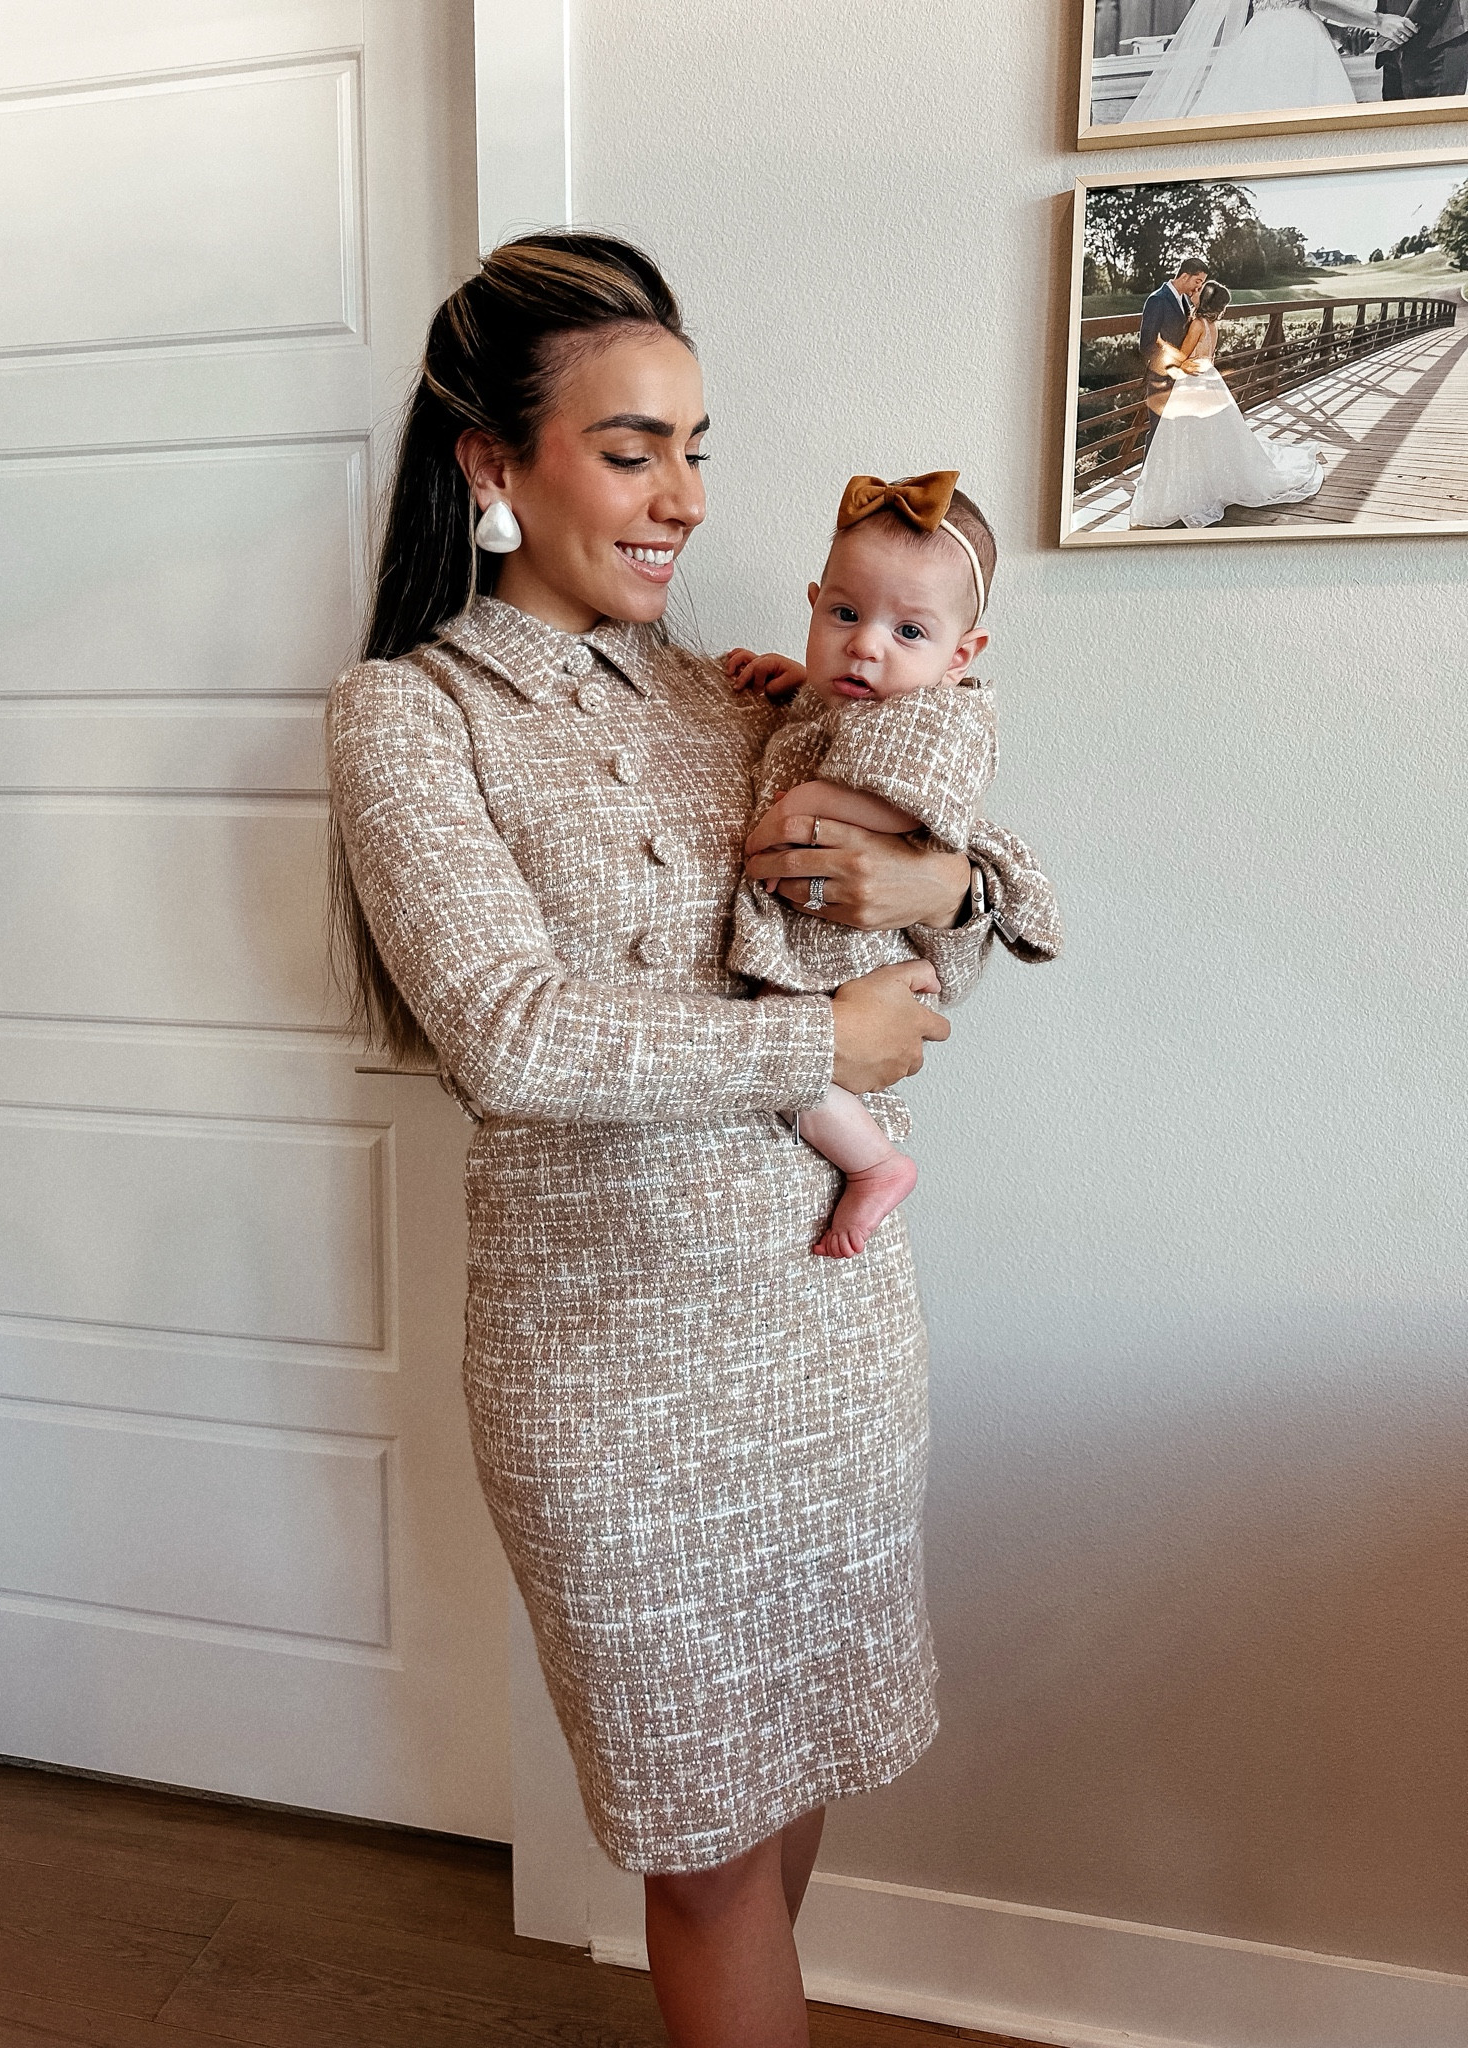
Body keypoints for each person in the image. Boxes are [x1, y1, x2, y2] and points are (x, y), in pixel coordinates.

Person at [324, 230, 1059, 2048]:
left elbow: (988, 892)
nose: (681, 497)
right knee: (701, 1841)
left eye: (697, 446)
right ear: (493, 466)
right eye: (632, 446)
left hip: (822, 1331)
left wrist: (942, 871)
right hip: (616, 1372)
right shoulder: (408, 718)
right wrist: (831, 1037)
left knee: (789, 1772)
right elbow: (511, 1035)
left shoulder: (726, 690)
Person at [722, 470, 1056, 1260]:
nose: (865, 645)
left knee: (792, 1040)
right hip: (826, 925)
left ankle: (874, 1164)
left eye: (909, 632)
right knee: (792, 1037)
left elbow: (908, 803)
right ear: (814, 605)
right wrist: (796, 680)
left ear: (960, 654)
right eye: (844, 614)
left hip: (850, 941)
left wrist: (805, 803)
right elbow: (838, 723)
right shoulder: (859, 696)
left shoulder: (945, 716)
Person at [1131, 277, 1326, 529]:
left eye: (1201, 291)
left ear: (1205, 301)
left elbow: (1182, 357)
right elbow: (1207, 356)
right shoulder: (1212, 325)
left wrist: (1162, 345)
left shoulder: (1197, 325)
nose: (1196, 291)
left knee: (1187, 436)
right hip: (1210, 380)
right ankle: (1211, 480)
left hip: (1193, 383)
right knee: (1212, 436)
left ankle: (1194, 487)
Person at [1129, 0, 1417, 122]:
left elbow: (1281, 6)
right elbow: (1313, 2)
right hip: (1295, 44)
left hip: (1260, 38)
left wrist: (1337, 32)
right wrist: (1378, 20)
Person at [1141, 258, 1208, 450]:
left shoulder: (1185, 300)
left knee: (1177, 433)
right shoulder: (1157, 300)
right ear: (1184, 276)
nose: (1198, 288)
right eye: (1198, 281)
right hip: (1162, 378)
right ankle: (1148, 479)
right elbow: (1147, 343)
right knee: (1158, 431)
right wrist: (1177, 362)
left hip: (1181, 379)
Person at [1377, 0, 1468, 100]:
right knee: (1395, 111)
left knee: (1433, 112)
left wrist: (1403, 25)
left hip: (1436, 37)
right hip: (1394, 32)